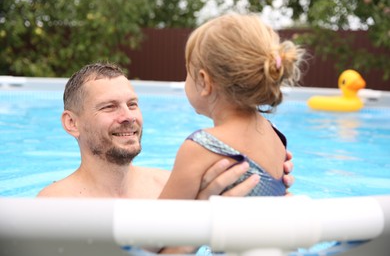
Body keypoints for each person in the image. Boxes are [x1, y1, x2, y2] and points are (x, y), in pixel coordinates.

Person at [37, 62, 295, 253]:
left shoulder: (170, 184)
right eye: (109, 106)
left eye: (133, 104)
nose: (129, 116)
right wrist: (199, 226)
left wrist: (266, 184)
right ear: (72, 123)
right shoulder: (55, 206)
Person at [159, 13, 304, 200]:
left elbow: (159, 222)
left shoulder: (200, 148)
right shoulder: (275, 135)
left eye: (187, 70)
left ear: (204, 81)